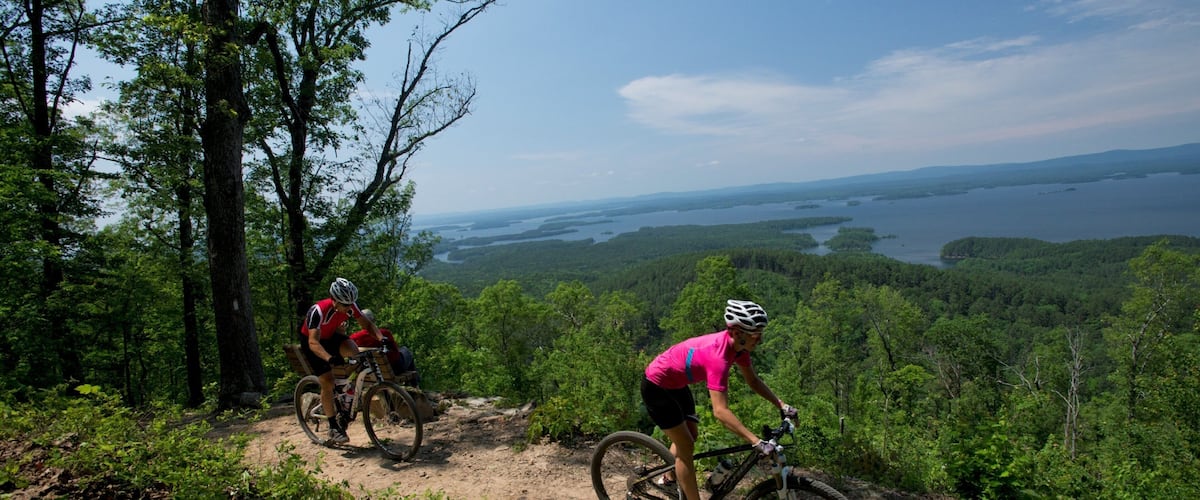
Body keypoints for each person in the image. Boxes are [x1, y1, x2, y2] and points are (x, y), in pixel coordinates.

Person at [641, 299, 798, 500]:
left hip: (677, 384)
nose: (760, 340)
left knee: (691, 434)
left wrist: (782, 404)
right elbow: (720, 412)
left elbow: (753, 381)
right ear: (737, 333)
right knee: (686, 446)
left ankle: (670, 477)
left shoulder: (739, 349)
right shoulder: (718, 358)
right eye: (756, 335)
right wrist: (755, 441)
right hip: (656, 386)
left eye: (761, 334)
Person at [299, 277, 383, 444]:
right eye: (345, 305)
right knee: (328, 382)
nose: (348, 308)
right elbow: (313, 342)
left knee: (354, 351)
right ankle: (333, 426)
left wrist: (381, 339)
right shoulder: (318, 311)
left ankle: (345, 387)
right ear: (335, 301)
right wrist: (329, 358)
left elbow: (367, 325)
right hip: (313, 342)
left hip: (330, 336)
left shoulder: (350, 305)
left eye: (351, 304)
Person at [350, 309, 421, 386]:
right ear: (373, 320)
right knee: (406, 351)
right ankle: (414, 385)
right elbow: (395, 353)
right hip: (393, 370)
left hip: (370, 373)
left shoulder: (354, 338)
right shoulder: (384, 333)